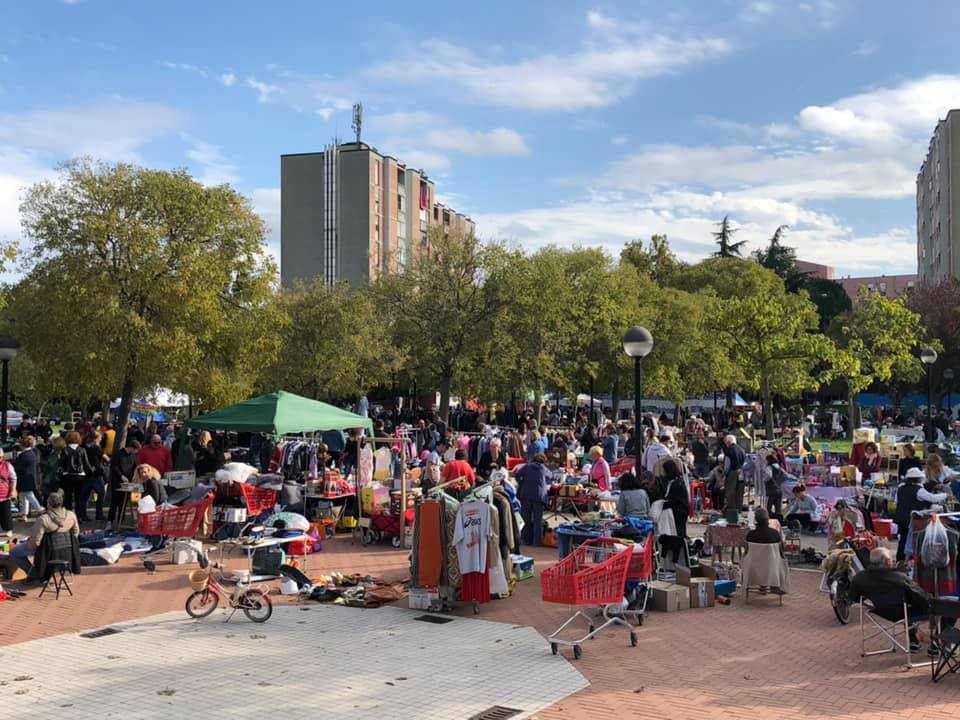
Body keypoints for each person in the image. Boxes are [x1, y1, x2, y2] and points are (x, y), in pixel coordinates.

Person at [849, 547, 931, 653]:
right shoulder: (899, 578)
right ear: (887, 562)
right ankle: (935, 644)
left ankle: (913, 640)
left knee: (905, 605)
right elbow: (921, 597)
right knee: (933, 607)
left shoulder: (860, 578)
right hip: (903, 613)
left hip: (880, 611)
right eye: (892, 559)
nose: (893, 561)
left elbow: (854, 597)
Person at [8, 492, 80, 580]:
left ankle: (33, 573)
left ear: (48, 503)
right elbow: (76, 532)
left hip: (47, 550)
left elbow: (35, 541)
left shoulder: (43, 519)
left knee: (14, 552)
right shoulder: (71, 515)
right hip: (67, 548)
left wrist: (31, 547)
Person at [895, 467, 948, 561]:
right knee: (912, 541)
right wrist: (945, 495)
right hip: (912, 519)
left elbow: (897, 501)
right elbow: (933, 498)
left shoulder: (901, 488)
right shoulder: (918, 490)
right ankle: (910, 560)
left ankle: (900, 560)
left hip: (901, 517)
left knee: (902, 540)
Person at [515, 453, 550, 546]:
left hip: (526, 494)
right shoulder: (544, 469)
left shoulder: (527, 467)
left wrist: (522, 482)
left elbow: (517, 475)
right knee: (538, 520)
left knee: (525, 518)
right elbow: (551, 477)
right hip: (539, 496)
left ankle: (525, 539)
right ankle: (536, 542)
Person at [660, 459, 690, 564]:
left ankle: (679, 560)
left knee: (678, 537)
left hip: (679, 512)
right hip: (680, 511)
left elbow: (673, 500)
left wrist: (661, 505)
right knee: (679, 535)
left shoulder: (676, 484)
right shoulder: (677, 481)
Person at [58, 431, 92, 517]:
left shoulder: (65, 450)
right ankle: (79, 516)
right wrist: (90, 473)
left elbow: (61, 463)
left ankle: (68, 516)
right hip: (80, 476)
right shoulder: (82, 450)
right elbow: (86, 464)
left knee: (68, 497)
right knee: (79, 498)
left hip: (67, 475)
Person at [108, 440, 140, 528]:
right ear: (132, 448)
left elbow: (134, 467)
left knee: (123, 504)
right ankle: (110, 522)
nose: (136, 452)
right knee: (114, 503)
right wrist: (121, 476)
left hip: (128, 482)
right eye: (136, 450)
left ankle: (120, 522)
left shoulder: (133, 456)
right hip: (117, 482)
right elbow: (114, 467)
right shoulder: (118, 454)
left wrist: (134, 477)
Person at [13, 437, 42, 519]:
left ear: (23, 445)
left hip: (25, 479)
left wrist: (13, 463)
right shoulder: (31, 453)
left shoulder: (25, 455)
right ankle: (24, 513)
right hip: (28, 478)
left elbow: (18, 466)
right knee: (23, 496)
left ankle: (39, 510)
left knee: (29, 495)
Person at [82, 431, 107, 522]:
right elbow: (105, 458)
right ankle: (99, 514)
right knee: (101, 493)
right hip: (96, 473)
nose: (101, 439)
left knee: (85, 495)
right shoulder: (96, 448)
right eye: (100, 438)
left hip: (86, 473)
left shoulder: (85, 447)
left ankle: (83, 514)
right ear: (97, 438)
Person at [761, 452, 793, 520]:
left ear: (769, 460)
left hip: (771, 490)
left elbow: (768, 476)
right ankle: (779, 521)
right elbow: (786, 476)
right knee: (778, 508)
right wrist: (780, 481)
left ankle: (768, 520)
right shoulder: (780, 467)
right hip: (779, 489)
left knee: (768, 508)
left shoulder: (769, 467)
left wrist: (764, 480)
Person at [722, 434, 746, 512]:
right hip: (741, 471)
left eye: (726, 443)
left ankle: (732, 510)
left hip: (733, 472)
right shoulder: (742, 450)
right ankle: (739, 509)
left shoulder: (729, 450)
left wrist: (725, 474)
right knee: (739, 491)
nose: (726, 445)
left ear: (728, 442)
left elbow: (727, 464)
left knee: (731, 491)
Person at [0, 450, 17, 534]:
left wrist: (13, 490)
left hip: (4, 494)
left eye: (0, 457)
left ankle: (8, 529)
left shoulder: (7, 465)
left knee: (5, 513)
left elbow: (13, 478)